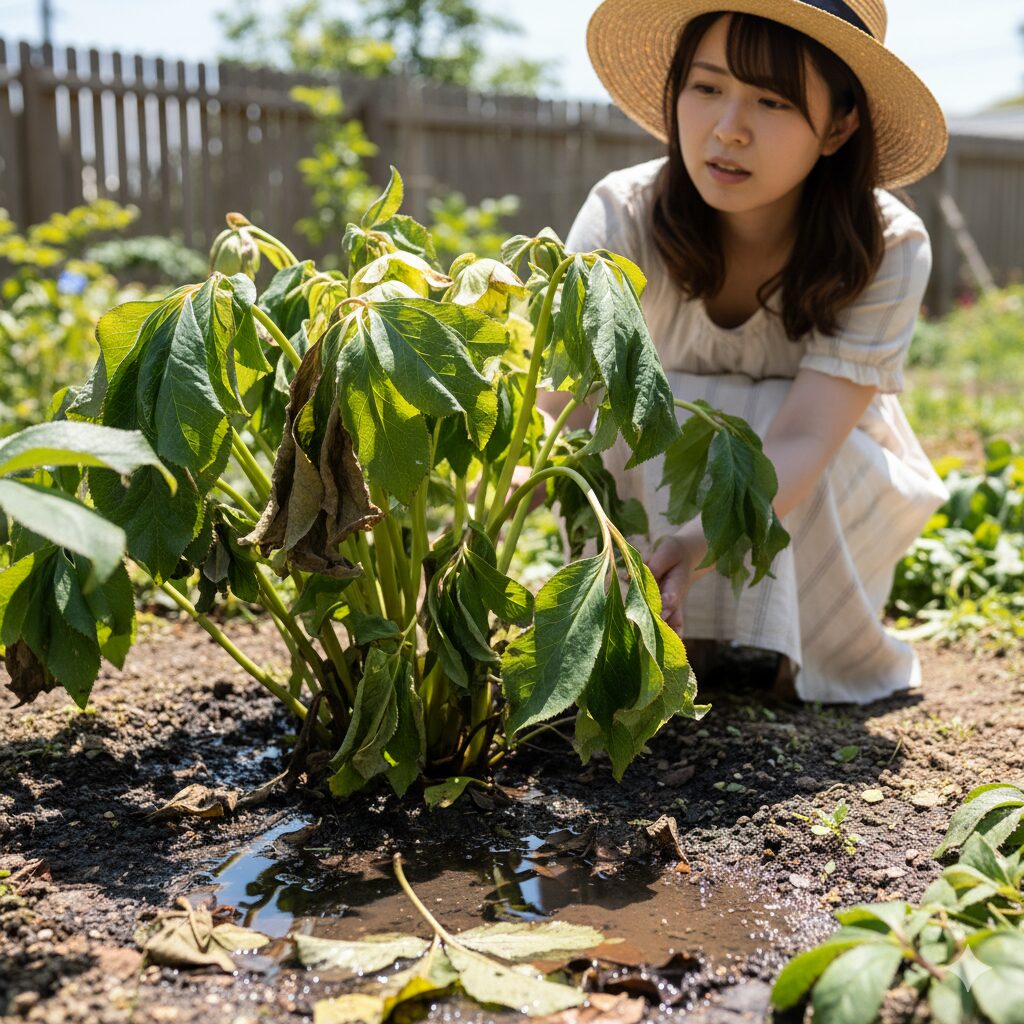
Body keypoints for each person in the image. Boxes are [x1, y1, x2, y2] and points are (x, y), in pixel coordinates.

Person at [546, 0, 950, 704]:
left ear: (839, 125)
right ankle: (635, 624)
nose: (729, 130)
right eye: (706, 88)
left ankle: (792, 654)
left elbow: (804, 436)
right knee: (625, 426)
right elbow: (564, 414)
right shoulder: (622, 214)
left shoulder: (888, 244)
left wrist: (702, 540)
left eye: (772, 101)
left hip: (814, 470)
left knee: (778, 433)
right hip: (646, 472)